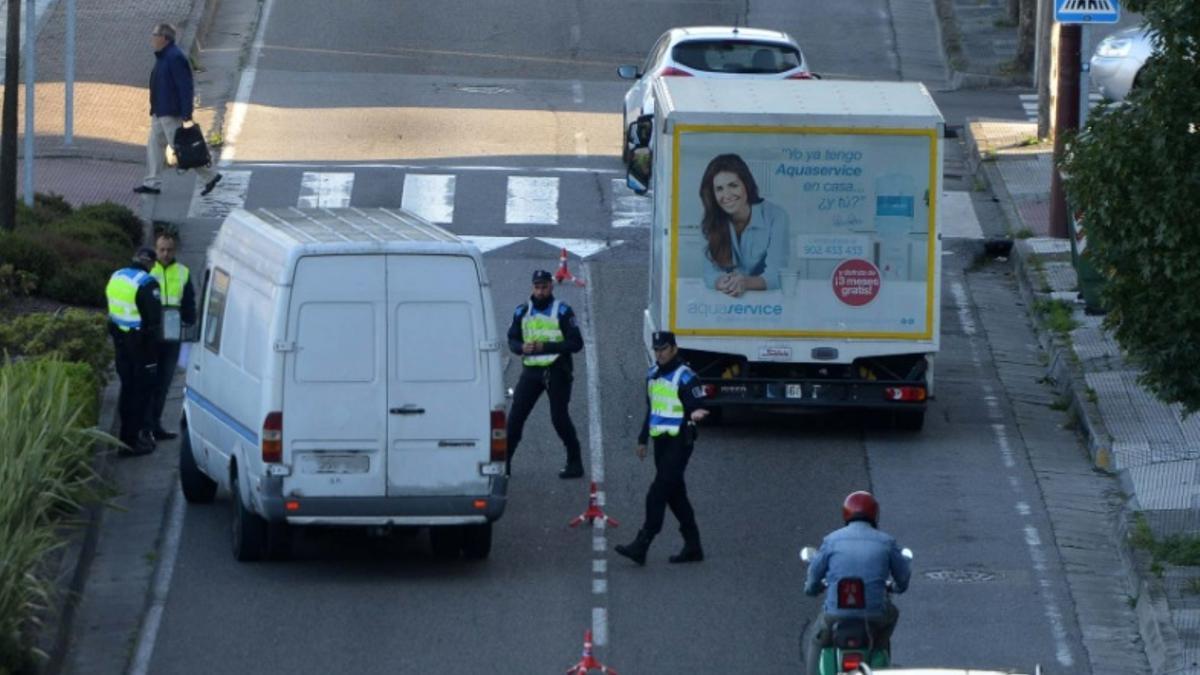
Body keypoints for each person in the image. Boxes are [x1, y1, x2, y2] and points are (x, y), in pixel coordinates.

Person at [615, 331, 709, 566]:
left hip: (679, 441)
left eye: (664, 349)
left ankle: (642, 544)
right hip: (661, 442)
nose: (659, 354)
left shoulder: (686, 377)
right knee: (676, 495)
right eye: (656, 350)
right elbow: (652, 409)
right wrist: (642, 439)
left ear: (674, 349)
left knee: (657, 493)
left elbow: (697, 403)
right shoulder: (652, 375)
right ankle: (693, 546)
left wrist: (696, 412)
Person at [802, 491, 911, 674]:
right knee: (889, 622)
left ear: (846, 513)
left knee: (817, 639)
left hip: (836, 615)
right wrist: (896, 587)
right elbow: (903, 578)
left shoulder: (831, 541)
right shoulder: (886, 542)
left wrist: (812, 589)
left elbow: (813, 577)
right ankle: (880, 654)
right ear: (874, 514)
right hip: (874, 614)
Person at [505, 269, 585, 479]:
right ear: (532, 287)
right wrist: (521, 347)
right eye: (537, 287)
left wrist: (546, 347)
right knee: (515, 419)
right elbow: (512, 339)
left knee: (559, 418)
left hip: (557, 371)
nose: (540, 291)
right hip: (531, 371)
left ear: (551, 286)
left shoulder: (563, 311)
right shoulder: (522, 311)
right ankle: (504, 464)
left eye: (544, 287)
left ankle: (575, 462)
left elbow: (576, 343)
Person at [134, 22, 222, 197]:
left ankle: (210, 176)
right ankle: (152, 182)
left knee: (183, 148)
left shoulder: (174, 57)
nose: (152, 38)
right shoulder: (164, 56)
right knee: (155, 146)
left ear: (164, 38)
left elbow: (185, 87)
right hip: (160, 110)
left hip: (170, 111)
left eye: (155, 35)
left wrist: (186, 112)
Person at [698, 153, 790, 297]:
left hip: (767, 299)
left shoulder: (776, 216)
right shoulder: (710, 222)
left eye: (733, 185)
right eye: (719, 189)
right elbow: (710, 274)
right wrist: (722, 282)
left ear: (746, 185)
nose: (727, 195)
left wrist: (745, 282)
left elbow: (776, 275)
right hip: (727, 298)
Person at [106, 247, 164, 456]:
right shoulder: (147, 283)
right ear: (150, 263)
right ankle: (131, 442)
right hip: (141, 346)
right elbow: (154, 321)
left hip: (120, 342)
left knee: (127, 390)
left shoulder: (117, 276)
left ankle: (125, 439)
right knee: (140, 394)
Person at [145, 226, 196, 440]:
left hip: (172, 335)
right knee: (149, 383)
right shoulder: (148, 272)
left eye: (169, 250)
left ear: (175, 251)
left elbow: (189, 302)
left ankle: (155, 425)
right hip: (151, 336)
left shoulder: (183, 272)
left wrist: (190, 321)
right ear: (156, 250)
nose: (165, 254)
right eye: (162, 250)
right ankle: (146, 426)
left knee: (164, 383)